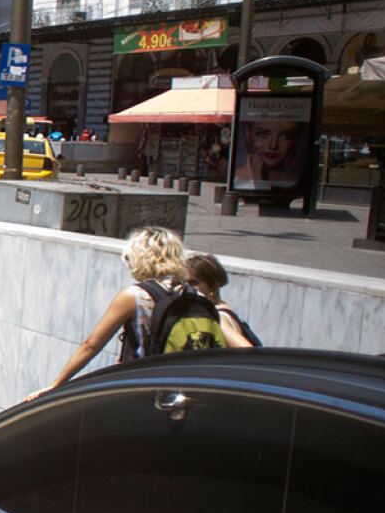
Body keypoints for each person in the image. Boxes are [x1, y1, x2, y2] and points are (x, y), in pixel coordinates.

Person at [31, 226, 195, 398]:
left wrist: (57, 384)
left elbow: (91, 345)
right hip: (185, 387)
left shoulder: (134, 296)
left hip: (144, 387)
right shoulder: (192, 293)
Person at [184, 253, 260, 349]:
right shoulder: (218, 311)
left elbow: (248, 352)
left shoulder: (219, 318)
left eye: (193, 283)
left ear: (214, 287)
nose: (187, 288)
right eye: (183, 282)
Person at [233, 119, 305, 187]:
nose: (273, 145)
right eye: (262, 134)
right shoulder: (234, 179)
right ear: (247, 133)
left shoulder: (297, 183)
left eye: (286, 136)